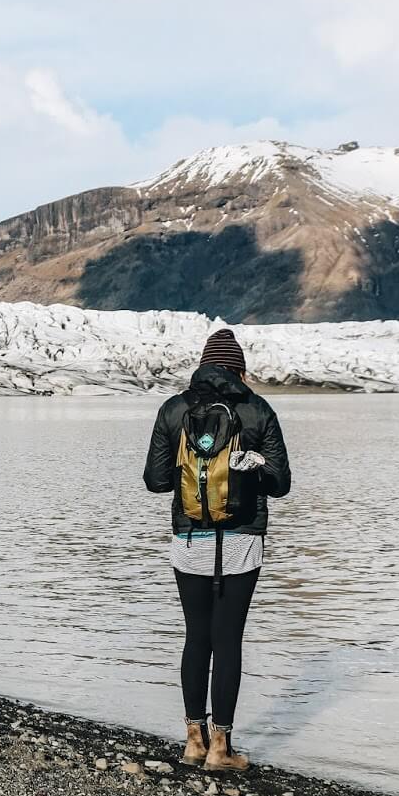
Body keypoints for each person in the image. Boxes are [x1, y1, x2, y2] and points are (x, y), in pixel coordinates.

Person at [142, 328, 291, 771]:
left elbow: (155, 480)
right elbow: (281, 484)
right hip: (242, 541)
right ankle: (222, 749)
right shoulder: (257, 409)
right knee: (228, 642)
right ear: (239, 368)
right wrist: (250, 469)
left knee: (197, 638)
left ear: (204, 364)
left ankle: (193, 740)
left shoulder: (174, 409)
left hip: (189, 540)